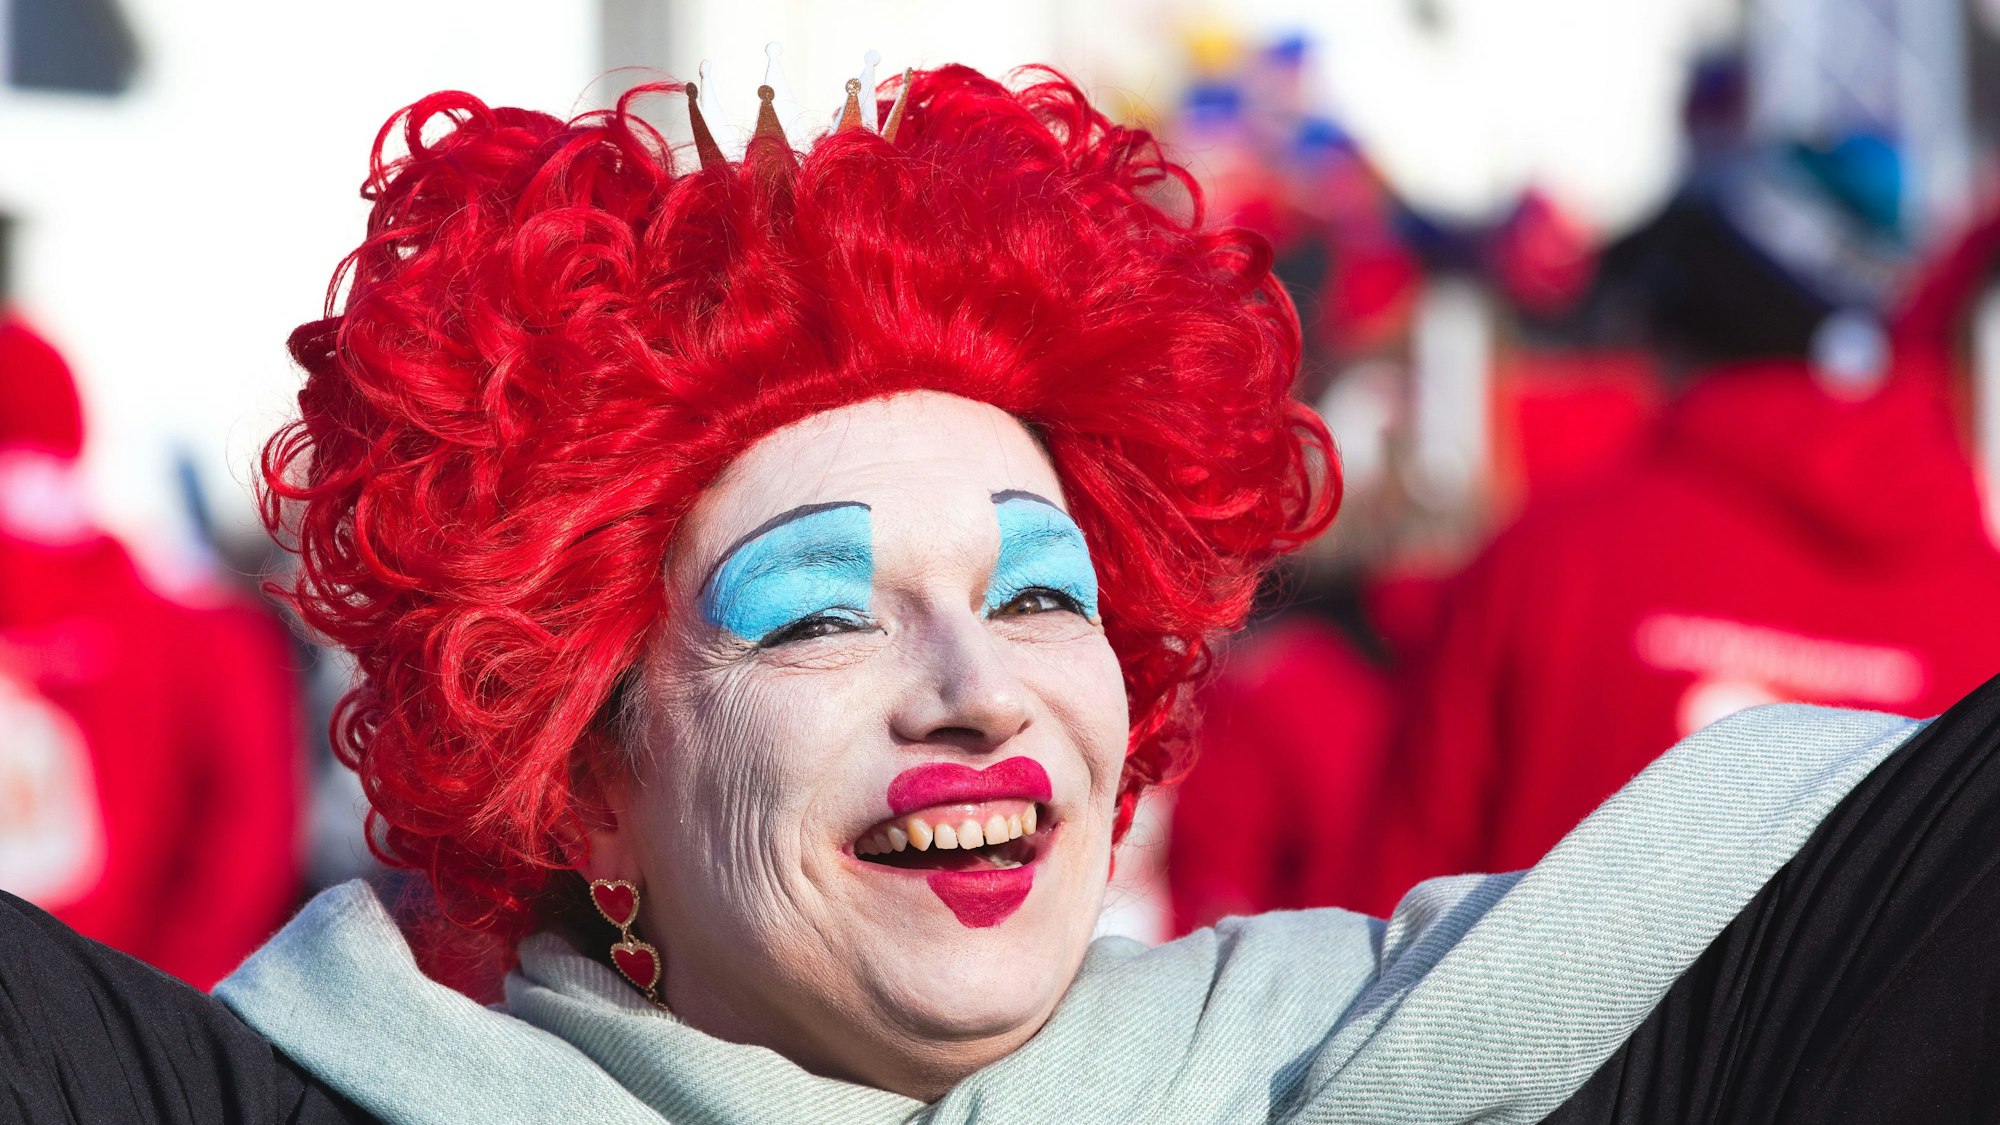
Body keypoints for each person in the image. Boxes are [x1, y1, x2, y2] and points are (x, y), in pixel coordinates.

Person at [2, 63, 1998, 1124]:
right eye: (817, 612)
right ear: (581, 773)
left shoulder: (1454, 1062)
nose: (975, 685)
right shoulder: (241, 1097)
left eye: (1045, 599)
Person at [0, 312, 304, 989]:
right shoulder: (201, 638)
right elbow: (247, 849)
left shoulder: (196, 638)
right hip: (117, 1038)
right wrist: (152, 1018)